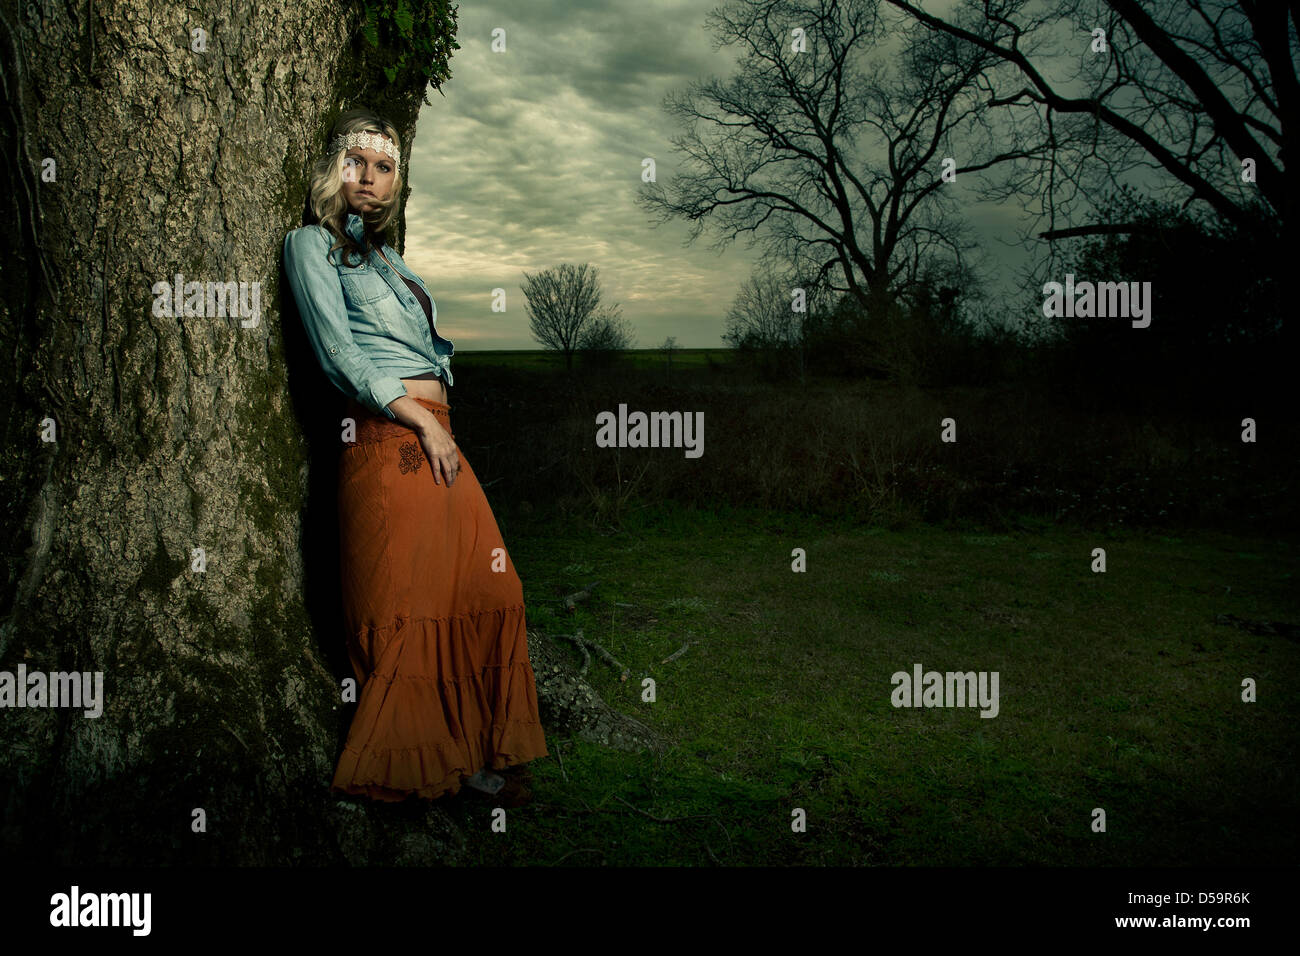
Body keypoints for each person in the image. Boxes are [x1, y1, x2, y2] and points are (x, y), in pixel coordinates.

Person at [283, 108, 547, 807]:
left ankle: (470, 749)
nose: (369, 177)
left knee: (491, 591)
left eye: (385, 166)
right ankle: (420, 766)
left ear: (398, 180)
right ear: (335, 166)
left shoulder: (386, 258)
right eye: (357, 161)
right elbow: (339, 356)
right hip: (388, 441)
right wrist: (420, 424)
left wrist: (438, 426)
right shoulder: (310, 245)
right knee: (405, 610)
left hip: (436, 436)